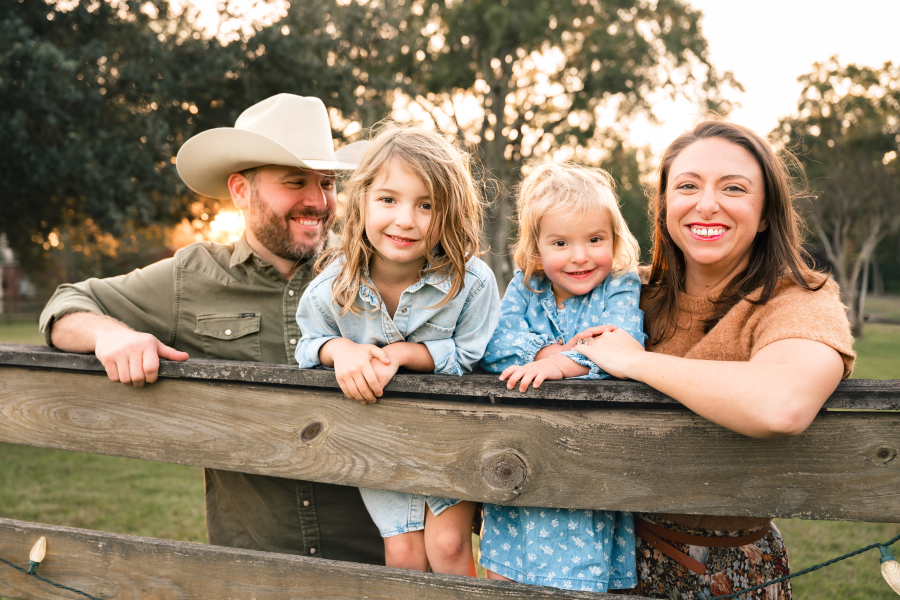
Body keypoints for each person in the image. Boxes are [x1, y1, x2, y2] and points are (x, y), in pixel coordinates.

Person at [38, 94, 386, 564]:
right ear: (241, 191)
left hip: (379, 565)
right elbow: (65, 306)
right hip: (249, 572)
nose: (318, 201)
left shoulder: (372, 265)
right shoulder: (190, 277)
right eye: (294, 182)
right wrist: (110, 335)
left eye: (326, 183)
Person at [573, 120, 856, 599]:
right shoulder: (618, 292)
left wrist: (637, 364)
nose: (707, 204)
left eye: (734, 188)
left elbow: (782, 403)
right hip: (600, 560)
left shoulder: (799, 299)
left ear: (765, 213)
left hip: (728, 576)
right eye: (687, 186)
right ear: (664, 207)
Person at [294, 124, 501, 575]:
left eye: (426, 205)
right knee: (404, 558)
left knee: (447, 546)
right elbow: (308, 343)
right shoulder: (330, 289)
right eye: (389, 199)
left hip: (450, 436)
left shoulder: (472, 282)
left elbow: (471, 355)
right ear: (363, 199)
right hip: (381, 439)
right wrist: (340, 350)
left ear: (450, 212)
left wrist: (407, 354)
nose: (406, 219)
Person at [479, 163, 644, 593]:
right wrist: (556, 353)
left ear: (614, 239)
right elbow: (496, 345)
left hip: (586, 461)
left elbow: (623, 347)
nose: (580, 256)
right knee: (506, 579)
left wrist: (556, 367)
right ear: (536, 249)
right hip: (521, 461)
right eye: (560, 242)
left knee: (576, 580)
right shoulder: (526, 285)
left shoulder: (619, 286)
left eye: (595, 239)